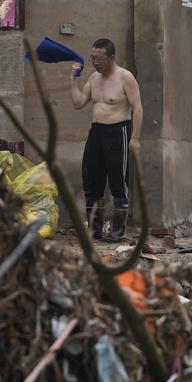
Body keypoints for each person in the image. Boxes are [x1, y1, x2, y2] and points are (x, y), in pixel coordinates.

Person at [69, 38, 143, 243]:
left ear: (112, 58)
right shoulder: (94, 78)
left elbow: (137, 107)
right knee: (92, 180)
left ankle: (118, 230)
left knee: (118, 182)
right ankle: (94, 229)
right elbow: (78, 103)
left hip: (118, 131)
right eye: (92, 58)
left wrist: (135, 138)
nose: (95, 63)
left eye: (99, 59)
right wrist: (73, 79)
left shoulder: (125, 77)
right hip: (96, 133)